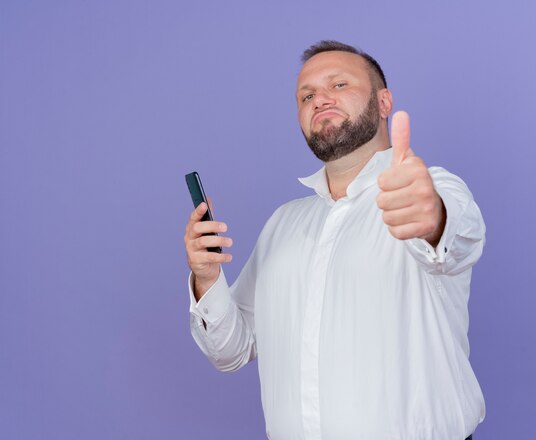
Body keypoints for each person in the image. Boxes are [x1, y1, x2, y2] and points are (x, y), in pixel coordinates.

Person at [184, 40, 485, 440]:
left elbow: (455, 243)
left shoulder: (433, 189)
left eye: (339, 85)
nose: (319, 99)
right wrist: (205, 279)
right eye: (306, 95)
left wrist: (431, 218)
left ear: (383, 102)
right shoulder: (283, 224)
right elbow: (232, 351)